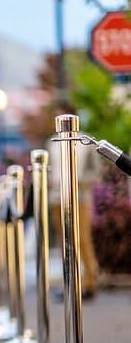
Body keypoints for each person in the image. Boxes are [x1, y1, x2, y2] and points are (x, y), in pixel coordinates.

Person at [47, 109, 102, 301]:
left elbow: (95, 172)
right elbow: (49, 170)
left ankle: (89, 283)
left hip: (79, 197)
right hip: (56, 198)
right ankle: (70, 283)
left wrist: (77, 181)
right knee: (65, 242)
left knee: (82, 239)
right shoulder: (52, 142)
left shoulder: (85, 141)